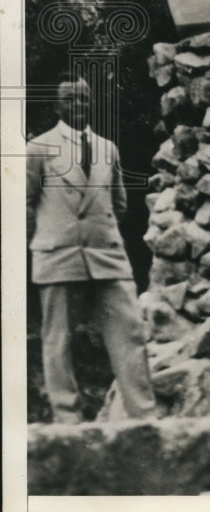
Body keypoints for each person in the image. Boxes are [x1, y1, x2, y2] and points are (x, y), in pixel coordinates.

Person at [26, 74, 156, 424]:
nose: (79, 105)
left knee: (130, 332)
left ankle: (143, 417)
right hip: (58, 256)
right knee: (58, 342)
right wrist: (46, 240)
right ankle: (67, 421)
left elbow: (119, 203)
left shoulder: (106, 148)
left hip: (107, 256)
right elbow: (24, 204)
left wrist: (99, 232)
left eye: (84, 99)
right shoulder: (38, 148)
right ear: (57, 106)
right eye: (70, 99)